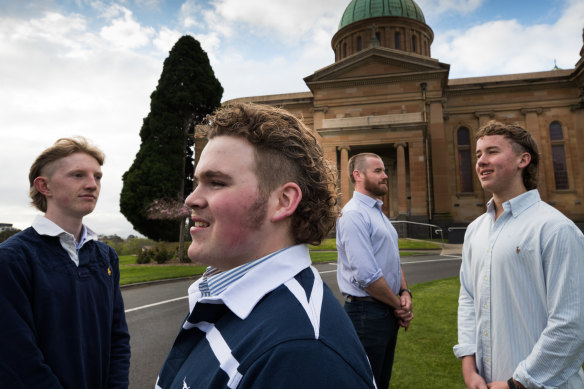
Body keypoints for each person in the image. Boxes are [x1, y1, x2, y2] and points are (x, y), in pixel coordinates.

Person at [155, 103, 376, 389]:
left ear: (283, 201)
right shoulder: (234, 300)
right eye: (197, 182)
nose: (191, 200)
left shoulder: (303, 356)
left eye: (217, 182)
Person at [454, 121, 584, 389]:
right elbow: (468, 299)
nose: (480, 161)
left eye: (492, 152)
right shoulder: (475, 230)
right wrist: (469, 365)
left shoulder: (555, 229)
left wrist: (518, 383)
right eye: (478, 154)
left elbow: (571, 324)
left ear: (523, 159)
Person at [0, 137, 131, 388]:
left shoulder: (106, 256)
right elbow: (15, 357)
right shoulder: (12, 258)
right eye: (78, 175)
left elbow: (118, 338)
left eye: (98, 176)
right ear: (44, 186)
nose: (92, 185)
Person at [336, 152, 413, 389]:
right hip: (366, 315)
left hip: (384, 311)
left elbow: (392, 259)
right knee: (366, 383)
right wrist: (398, 305)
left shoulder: (377, 212)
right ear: (357, 175)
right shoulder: (353, 215)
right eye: (378, 171)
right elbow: (367, 276)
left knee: (381, 382)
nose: (385, 176)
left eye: (384, 170)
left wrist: (405, 292)